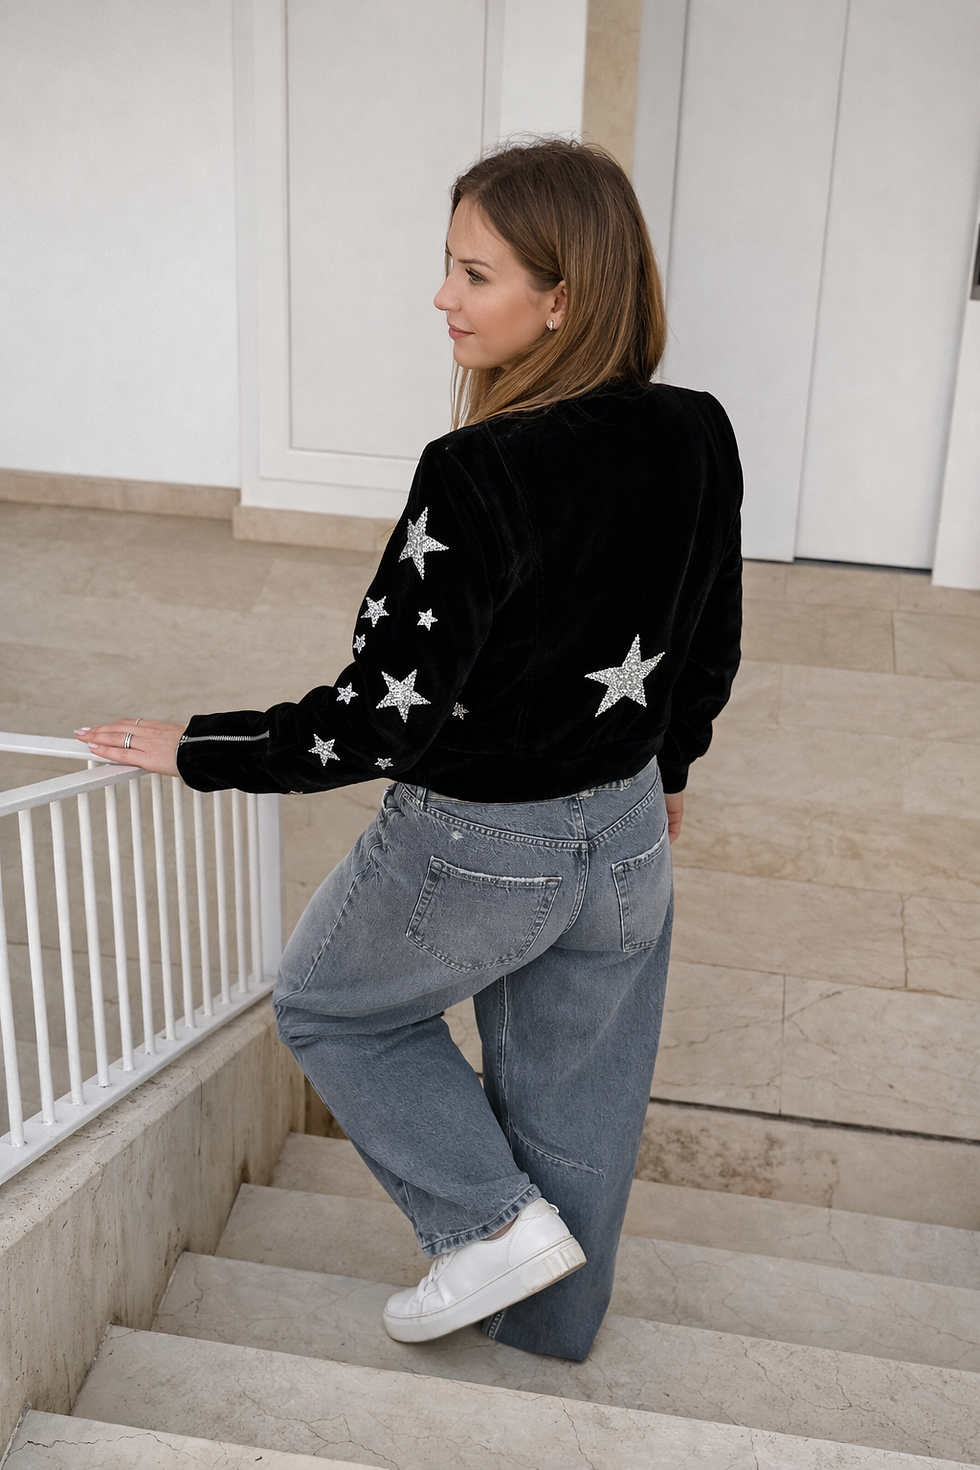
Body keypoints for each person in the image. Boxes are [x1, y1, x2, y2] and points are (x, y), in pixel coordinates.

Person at [79, 139, 742, 1363]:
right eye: (448, 265)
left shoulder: (475, 472)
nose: (442, 297)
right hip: (625, 832)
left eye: (474, 275)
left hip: (477, 844)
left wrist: (205, 746)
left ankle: (488, 1225)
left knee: (329, 1008)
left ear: (562, 299)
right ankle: (549, 1327)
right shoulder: (696, 431)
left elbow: (380, 716)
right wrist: (669, 773)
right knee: (577, 1095)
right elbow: (707, 642)